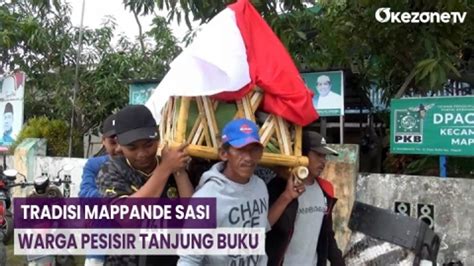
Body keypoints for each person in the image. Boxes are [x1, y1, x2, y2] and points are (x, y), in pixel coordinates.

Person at [96, 105, 194, 265]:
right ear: (119, 144)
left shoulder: (171, 164)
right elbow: (128, 218)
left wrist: (179, 171)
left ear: (158, 138)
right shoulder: (110, 171)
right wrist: (165, 169)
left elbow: (192, 216)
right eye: (132, 148)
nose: (142, 154)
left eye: (148, 145)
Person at [178, 118, 269, 266]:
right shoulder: (206, 198)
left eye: (254, 150)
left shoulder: (260, 187)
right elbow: (189, 260)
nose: (248, 158)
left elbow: (260, 231)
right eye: (240, 150)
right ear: (224, 154)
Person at [266, 130, 345, 266]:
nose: (323, 161)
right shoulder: (279, 187)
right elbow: (264, 227)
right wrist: (286, 197)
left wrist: (339, 262)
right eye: (318, 155)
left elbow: (327, 233)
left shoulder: (324, 190)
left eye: (325, 156)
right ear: (302, 154)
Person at [80, 114, 122, 266]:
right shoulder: (94, 165)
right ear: (103, 141)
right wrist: (113, 196)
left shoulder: (138, 165)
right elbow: (84, 197)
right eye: (112, 142)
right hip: (99, 245)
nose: (118, 148)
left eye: (122, 141)